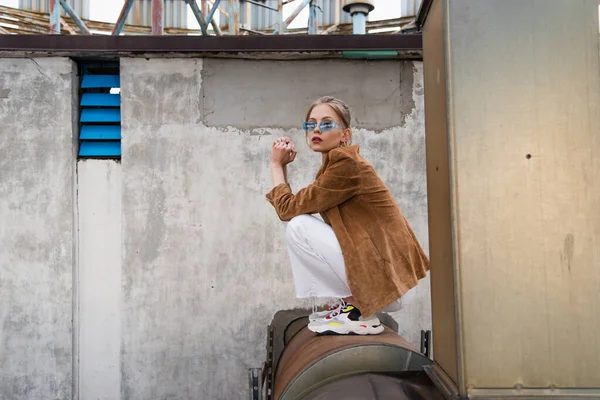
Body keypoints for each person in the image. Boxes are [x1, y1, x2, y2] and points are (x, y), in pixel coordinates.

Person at [266, 96, 430, 335]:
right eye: (310, 124)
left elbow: (287, 209)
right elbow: (291, 206)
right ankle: (350, 305)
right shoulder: (334, 165)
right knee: (300, 224)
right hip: (385, 275)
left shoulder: (346, 164)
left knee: (299, 226)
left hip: (384, 278)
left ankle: (356, 309)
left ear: (346, 134)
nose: (317, 129)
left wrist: (276, 166)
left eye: (327, 123)